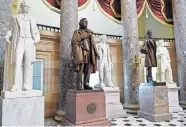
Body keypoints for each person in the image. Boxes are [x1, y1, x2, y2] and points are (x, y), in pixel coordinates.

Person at [5, 0, 40, 92]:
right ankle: (15, 84)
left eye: (28, 8)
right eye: (25, 7)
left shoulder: (32, 19)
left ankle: (25, 84)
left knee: (27, 64)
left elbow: (36, 32)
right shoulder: (16, 18)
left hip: (29, 41)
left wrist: (36, 39)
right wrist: (7, 36)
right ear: (22, 8)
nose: (27, 9)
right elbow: (11, 30)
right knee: (17, 62)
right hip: (19, 40)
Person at [71, 18, 100, 90]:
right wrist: (85, 36)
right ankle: (79, 84)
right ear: (80, 23)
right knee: (80, 68)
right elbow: (74, 41)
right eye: (84, 22)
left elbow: (93, 43)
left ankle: (86, 83)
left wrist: (96, 52)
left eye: (87, 22)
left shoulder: (90, 32)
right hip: (81, 52)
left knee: (88, 69)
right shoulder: (77, 32)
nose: (86, 23)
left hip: (89, 52)